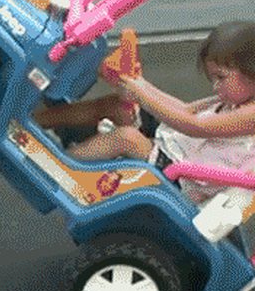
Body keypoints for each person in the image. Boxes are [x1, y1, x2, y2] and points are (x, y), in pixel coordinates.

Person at [35, 21, 255, 203]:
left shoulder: (251, 115)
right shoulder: (231, 100)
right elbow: (185, 109)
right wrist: (139, 84)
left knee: (127, 138)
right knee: (116, 106)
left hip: (182, 177)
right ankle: (35, 122)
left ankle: (54, 168)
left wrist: (140, 93)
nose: (215, 86)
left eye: (221, 77)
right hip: (174, 147)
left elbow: (195, 126)